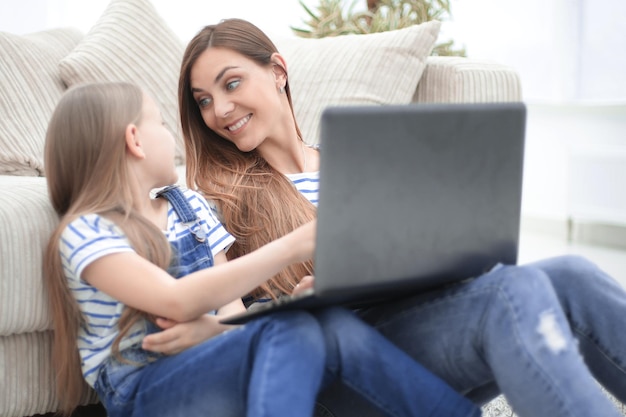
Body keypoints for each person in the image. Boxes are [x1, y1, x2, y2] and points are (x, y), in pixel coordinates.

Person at [177, 18, 626, 417]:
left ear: (278, 71)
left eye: (231, 84)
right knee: (512, 293)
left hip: (412, 327)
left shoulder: (361, 162)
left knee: (570, 274)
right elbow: (228, 328)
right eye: (203, 101)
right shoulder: (217, 196)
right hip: (336, 370)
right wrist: (299, 303)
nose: (219, 110)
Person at [43, 81, 481, 417]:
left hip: (214, 363)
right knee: (291, 329)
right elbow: (175, 300)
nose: (170, 135)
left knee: (313, 321)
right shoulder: (85, 232)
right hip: (146, 389)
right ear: (135, 140)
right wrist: (294, 246)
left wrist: (260, 318)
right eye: (160, 123)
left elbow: (231, 314)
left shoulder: (188, 207)